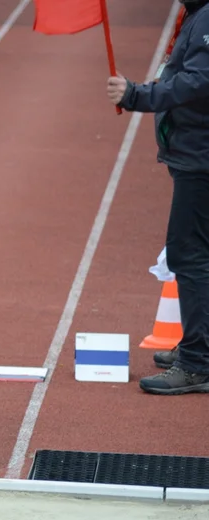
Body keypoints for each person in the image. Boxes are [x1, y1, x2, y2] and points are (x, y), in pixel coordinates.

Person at [108, 0, 209, 395]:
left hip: (200, 158)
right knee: (196, 254)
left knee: (190, 256)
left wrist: (137, 95)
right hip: (196, 152)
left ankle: (197, 363)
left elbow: (198, 82)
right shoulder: (198, 14)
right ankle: (198, 348)